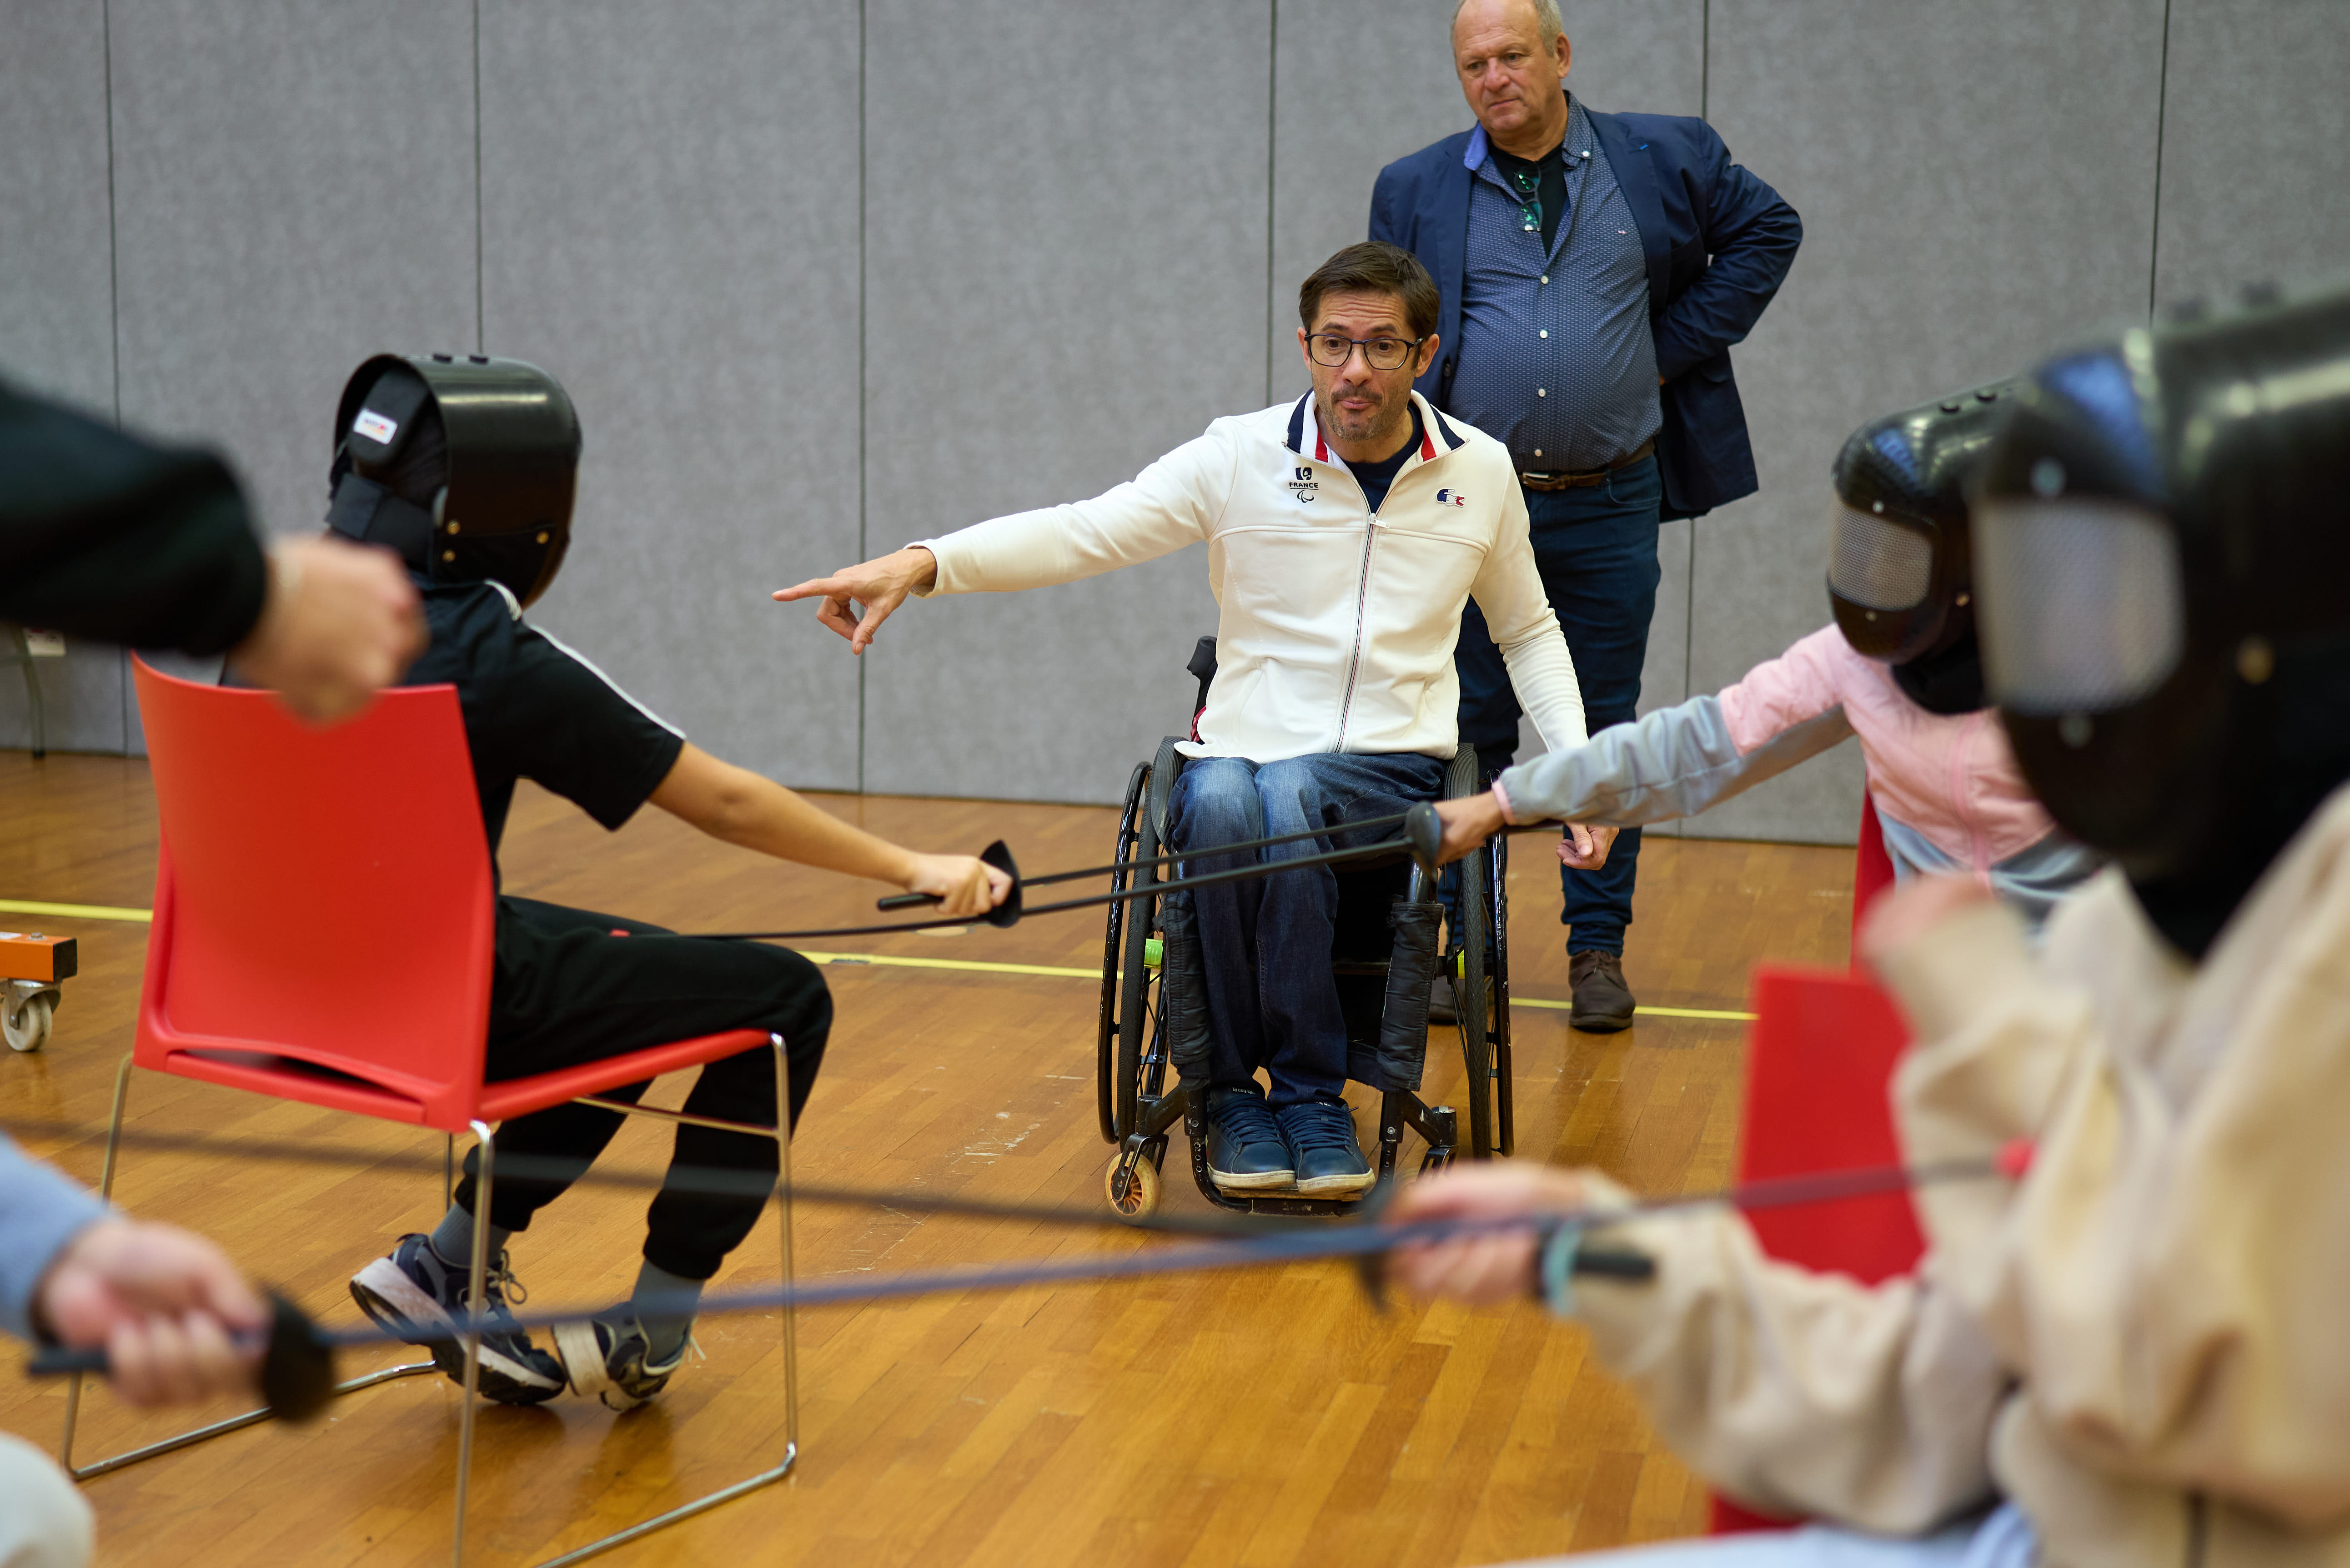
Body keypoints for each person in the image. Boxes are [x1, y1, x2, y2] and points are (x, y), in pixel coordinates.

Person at [1386, 282, 2350, 1565]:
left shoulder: (2268, 978)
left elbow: (2209, 1399)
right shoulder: (2152, 935)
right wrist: (1594, 1255)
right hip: (2034, 1504)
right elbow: (1942, 1393)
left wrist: (1997, 1012)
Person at [775, 243, 1596, 1197]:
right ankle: (1228, 1095)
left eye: (1381, 346)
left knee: (1279, 791)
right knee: (1216, 800)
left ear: (1425, 353)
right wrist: (925, 562)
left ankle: (1305, 1093)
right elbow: (1086, 527)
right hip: (1240, 751)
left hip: (1391, 764)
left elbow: (1528, 629)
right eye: (1335, 344)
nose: (1355, 369)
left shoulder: (1480, 471)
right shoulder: (1239, 455)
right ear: (1304, 346)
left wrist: (1576, 762)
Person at [318, 354, 1009, 1412]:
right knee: (783, 997)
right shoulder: (479, 646)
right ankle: (655, 1321)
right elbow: (720, 801)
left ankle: (446, 1262)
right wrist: (918, 865)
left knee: (628, 968)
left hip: (275, 993)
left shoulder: (276, 603)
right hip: (431, 1003)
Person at [0, 374, 426, 1568]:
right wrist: (248, 583)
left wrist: (53, 1248)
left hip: (268, 1005)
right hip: (434, 1016)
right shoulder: (503, 651)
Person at [1371, 0, 1802, 1030]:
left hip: (1612, 499)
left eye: (1512, 55)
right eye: (1473, 63)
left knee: (1604, 725)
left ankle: (1595, 950)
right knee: (1462, 728)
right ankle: (1458, 952)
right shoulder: (1415, 186)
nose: (1494, 77)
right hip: (1468, 508)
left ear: (1560, 56)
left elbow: (1768, 229)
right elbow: (1388, 327)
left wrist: (1662, 348)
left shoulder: (1661, 157)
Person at [1435, 384, 2102, 931]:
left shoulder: (2109, 667)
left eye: (1899, 553)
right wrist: (1504, 804)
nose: (1875, 576)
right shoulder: (1858, 660)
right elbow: (1700, 745)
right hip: (1939, 985)